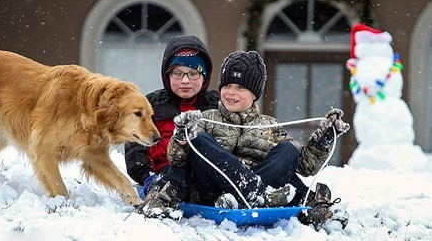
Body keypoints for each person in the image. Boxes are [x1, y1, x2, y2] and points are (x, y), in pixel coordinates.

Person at [140, 51, 350, 230]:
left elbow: (305, 166)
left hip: (248, 191)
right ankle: (257, 196)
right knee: (200, 140)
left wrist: (324, 138)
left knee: (288, 151)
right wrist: (182, 137)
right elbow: (177, 160)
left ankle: (247, 198)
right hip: (211, 192)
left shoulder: (269, 125)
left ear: (254, 94)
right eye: (227, 85)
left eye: (240, 87)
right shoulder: (206, 118)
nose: (231, 92)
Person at [124, 35, 219, 193]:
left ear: (205, 76)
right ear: (167, 75)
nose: (185, 80)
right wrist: (148, 177)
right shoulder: (152, 104)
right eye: (177, 73)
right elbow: (135, 148)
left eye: (193, 73)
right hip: (163, 177)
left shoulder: (215, 105)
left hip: (206, 179)